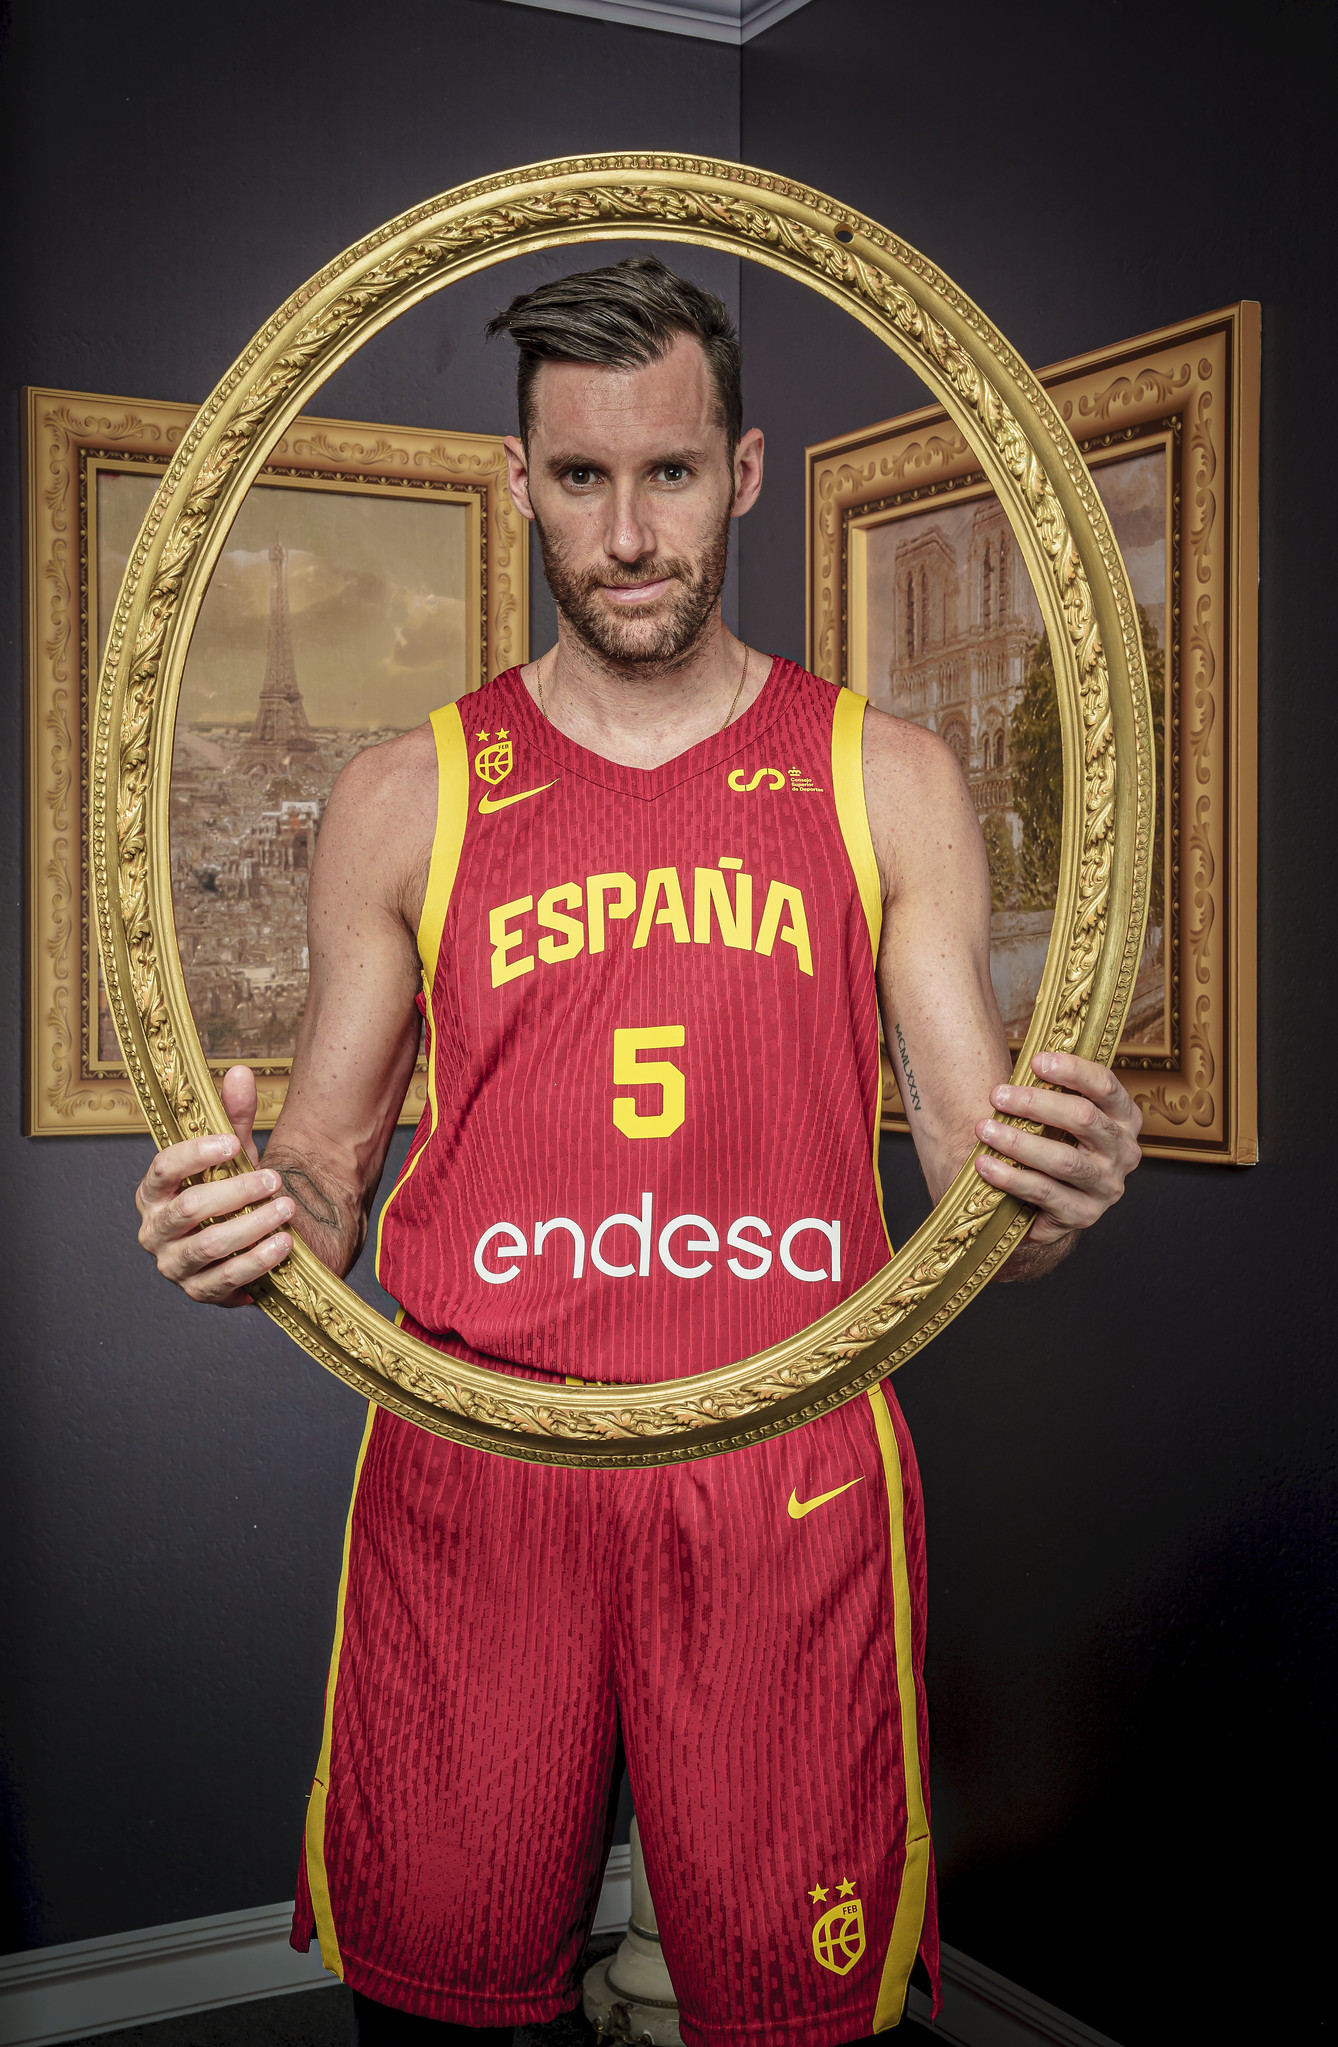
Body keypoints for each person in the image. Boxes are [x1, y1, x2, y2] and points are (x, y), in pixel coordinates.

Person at [134, 258, 1142, 2046]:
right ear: (518, 482)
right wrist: (236, 1213)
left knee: (801, 2021)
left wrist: (1057, 1186)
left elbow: (997, 1201)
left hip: (785, 1461)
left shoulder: (882, 775)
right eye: (579, 479)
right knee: (439, 2010)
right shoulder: (403, 793)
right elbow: (323, 1181)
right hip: (475, 1469)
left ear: (742, 470)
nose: (625, 531)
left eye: (667, 473)